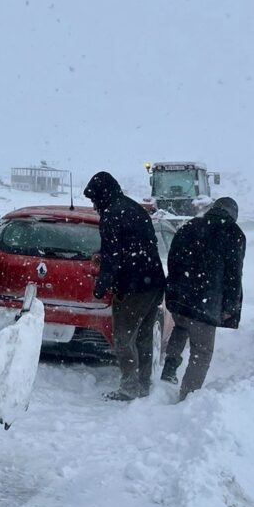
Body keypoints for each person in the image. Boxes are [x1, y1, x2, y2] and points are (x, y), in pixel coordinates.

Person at [83, 171, 166, 401]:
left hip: (133, 287)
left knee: (123, 338)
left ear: (102, 194)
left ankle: (129, 388)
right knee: (144, 336)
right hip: (154, 281)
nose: (93, 205)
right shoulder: (135, 208)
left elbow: (113, 256)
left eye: (93, 199)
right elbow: (140, 244)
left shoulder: (112, 214)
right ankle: (143, 384)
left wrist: (102, 286)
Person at [160, 196, 246, 401]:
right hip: (206, 302)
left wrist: (174, 289)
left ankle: (169, 369)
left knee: (180, 328)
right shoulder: (233, 233)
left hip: (181, 296)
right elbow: (234, 275)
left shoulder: (189, 226)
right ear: (233, 214)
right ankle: (188, 397)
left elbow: (173, 259)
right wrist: (230, 306)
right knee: (202, 350)